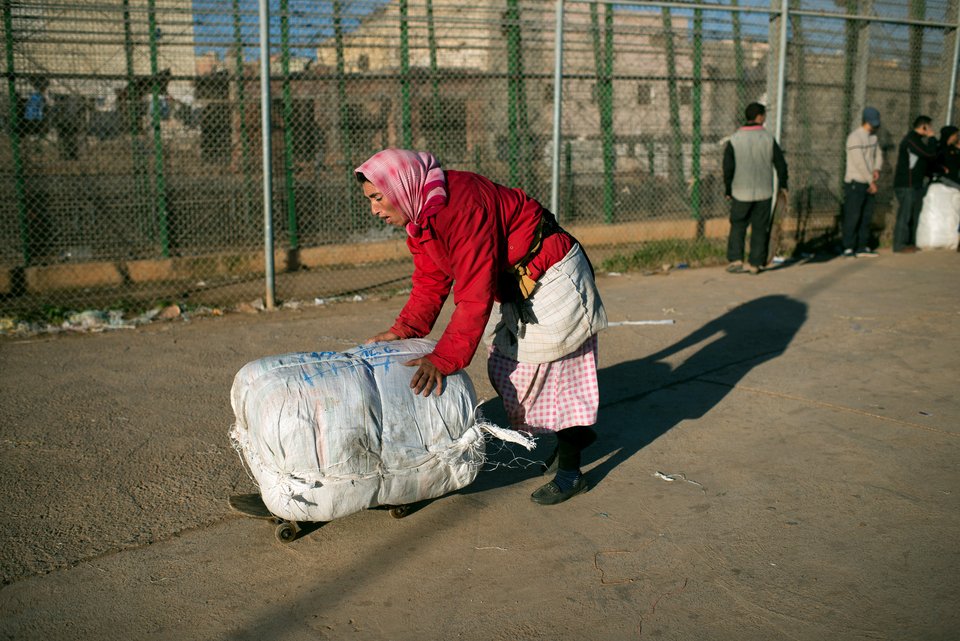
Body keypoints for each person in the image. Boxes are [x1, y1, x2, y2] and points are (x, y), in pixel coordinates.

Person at [356, 149, 607, 506]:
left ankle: (571, 472)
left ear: (401, 185)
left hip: (550, 274)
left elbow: (473, 294)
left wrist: (444, 358)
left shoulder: (463, 207)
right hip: (515, 282)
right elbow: (432, 277)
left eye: (377, 198)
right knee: (509, 371)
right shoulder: (422, 212)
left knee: (555, 377)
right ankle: (576, 436)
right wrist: (404, 329)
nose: (375, 209)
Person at [722, 102, 788, 274]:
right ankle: (755, 263)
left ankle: (736, 259)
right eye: (764, 115)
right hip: (763, 191)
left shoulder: (735, 139)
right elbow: (780, 163)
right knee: (760, 226)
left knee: (738, 225)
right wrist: (784, 184)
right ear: (759, 117)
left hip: (740, 191)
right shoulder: (768, 138)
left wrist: (728, 189)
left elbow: (728, 167)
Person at [892, 115, 939, 253]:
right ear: (924, 127)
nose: (931, 129)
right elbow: (929, 154)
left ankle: (909, 242)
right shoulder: (911, 140)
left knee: (913, 214)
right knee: (905, 214)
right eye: (929, 127)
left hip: (915, 184)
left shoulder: (918, 140)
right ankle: (899, 244)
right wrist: (932, 137)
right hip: (907, 184)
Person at [842, 107, 884, 257]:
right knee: (853, 215)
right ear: (865, 121)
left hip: (868, 181)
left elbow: (878, 153)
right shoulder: (855, 137)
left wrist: (877, 169)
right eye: (871, 123)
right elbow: (859, 162)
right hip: (856, 181)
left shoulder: (873, 137)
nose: (874, 126)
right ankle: (848, 246)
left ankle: (862, 246)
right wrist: (870, 181)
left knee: (866, 215)